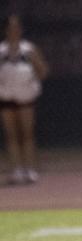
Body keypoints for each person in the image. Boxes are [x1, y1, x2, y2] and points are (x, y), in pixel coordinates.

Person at [0, 14, 48, 184]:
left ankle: (29, 169)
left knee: (27, 134)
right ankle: (16, 169)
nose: (14, 31)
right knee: (11, 134)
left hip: (26, 97)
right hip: (6, 97)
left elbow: (43, 71)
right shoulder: (1, 51)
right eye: (10, 28)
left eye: (17, 27)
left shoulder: (29, 50)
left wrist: (31, 82)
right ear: (5, 30)